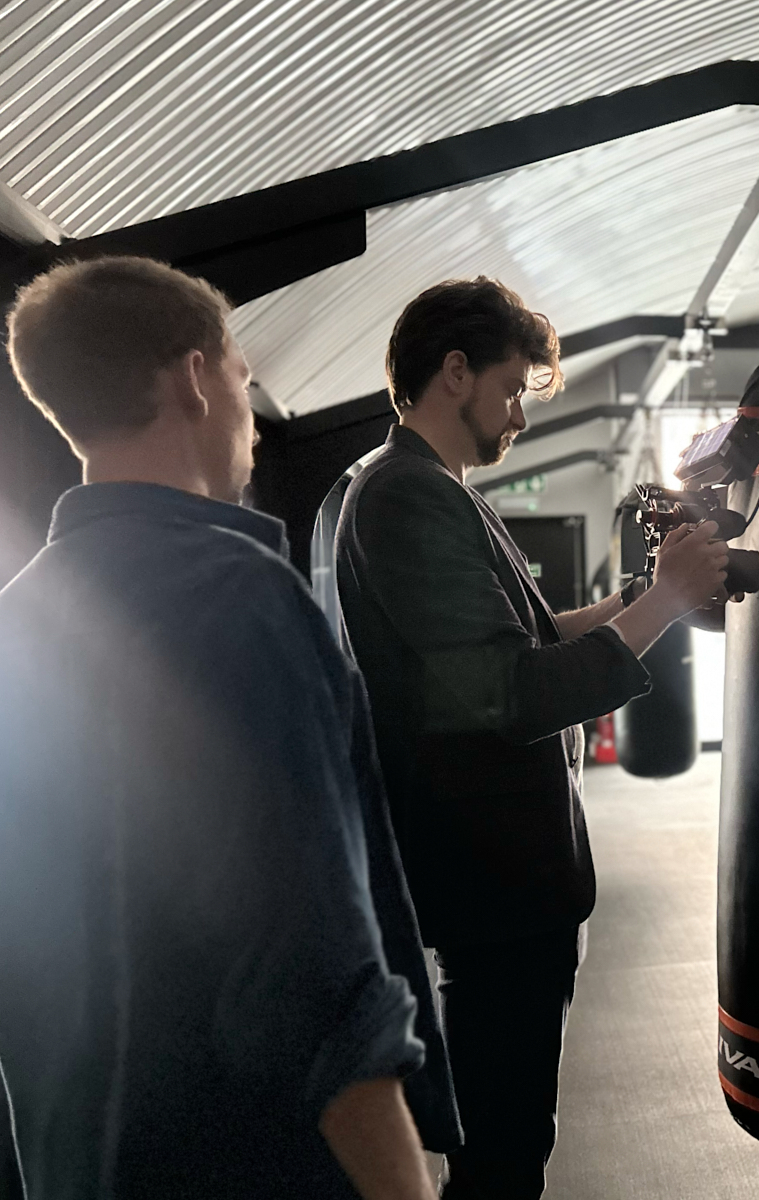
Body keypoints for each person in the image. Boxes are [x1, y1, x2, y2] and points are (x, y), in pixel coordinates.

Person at [0, 256, 458, 1199]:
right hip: (254, 1157)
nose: (251, 415)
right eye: (245, 378)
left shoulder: (17, 619)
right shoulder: (240, 597)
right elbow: (311, 967)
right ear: (195, 379)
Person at [334, 277, 730, 1197]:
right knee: (503, 1155)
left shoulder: (439, 491)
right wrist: (667, 602)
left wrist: (645, 596)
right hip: (493, 886)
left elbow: (535, 637)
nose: (518, 414)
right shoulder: (404, 496)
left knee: (512, 1138)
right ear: (455, 372)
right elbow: (513, 693)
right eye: (511, 389)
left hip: (507, 886)